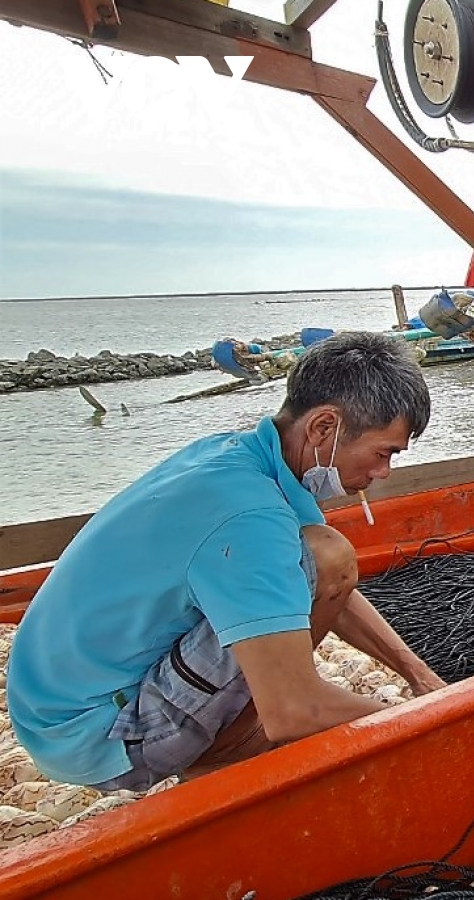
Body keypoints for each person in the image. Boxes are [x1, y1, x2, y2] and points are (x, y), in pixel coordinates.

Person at [6, 332, 447, 790]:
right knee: (325, 558)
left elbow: (325, 579)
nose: (382, 473)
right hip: (98, 735)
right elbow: (295, 710)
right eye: (383, 453)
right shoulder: (249, 517)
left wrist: (421, 679)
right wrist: (424, 723)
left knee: (322, 555)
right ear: (323, 428)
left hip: (52, 709)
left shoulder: (233, 456)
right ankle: (225, 756)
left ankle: (225, 742)